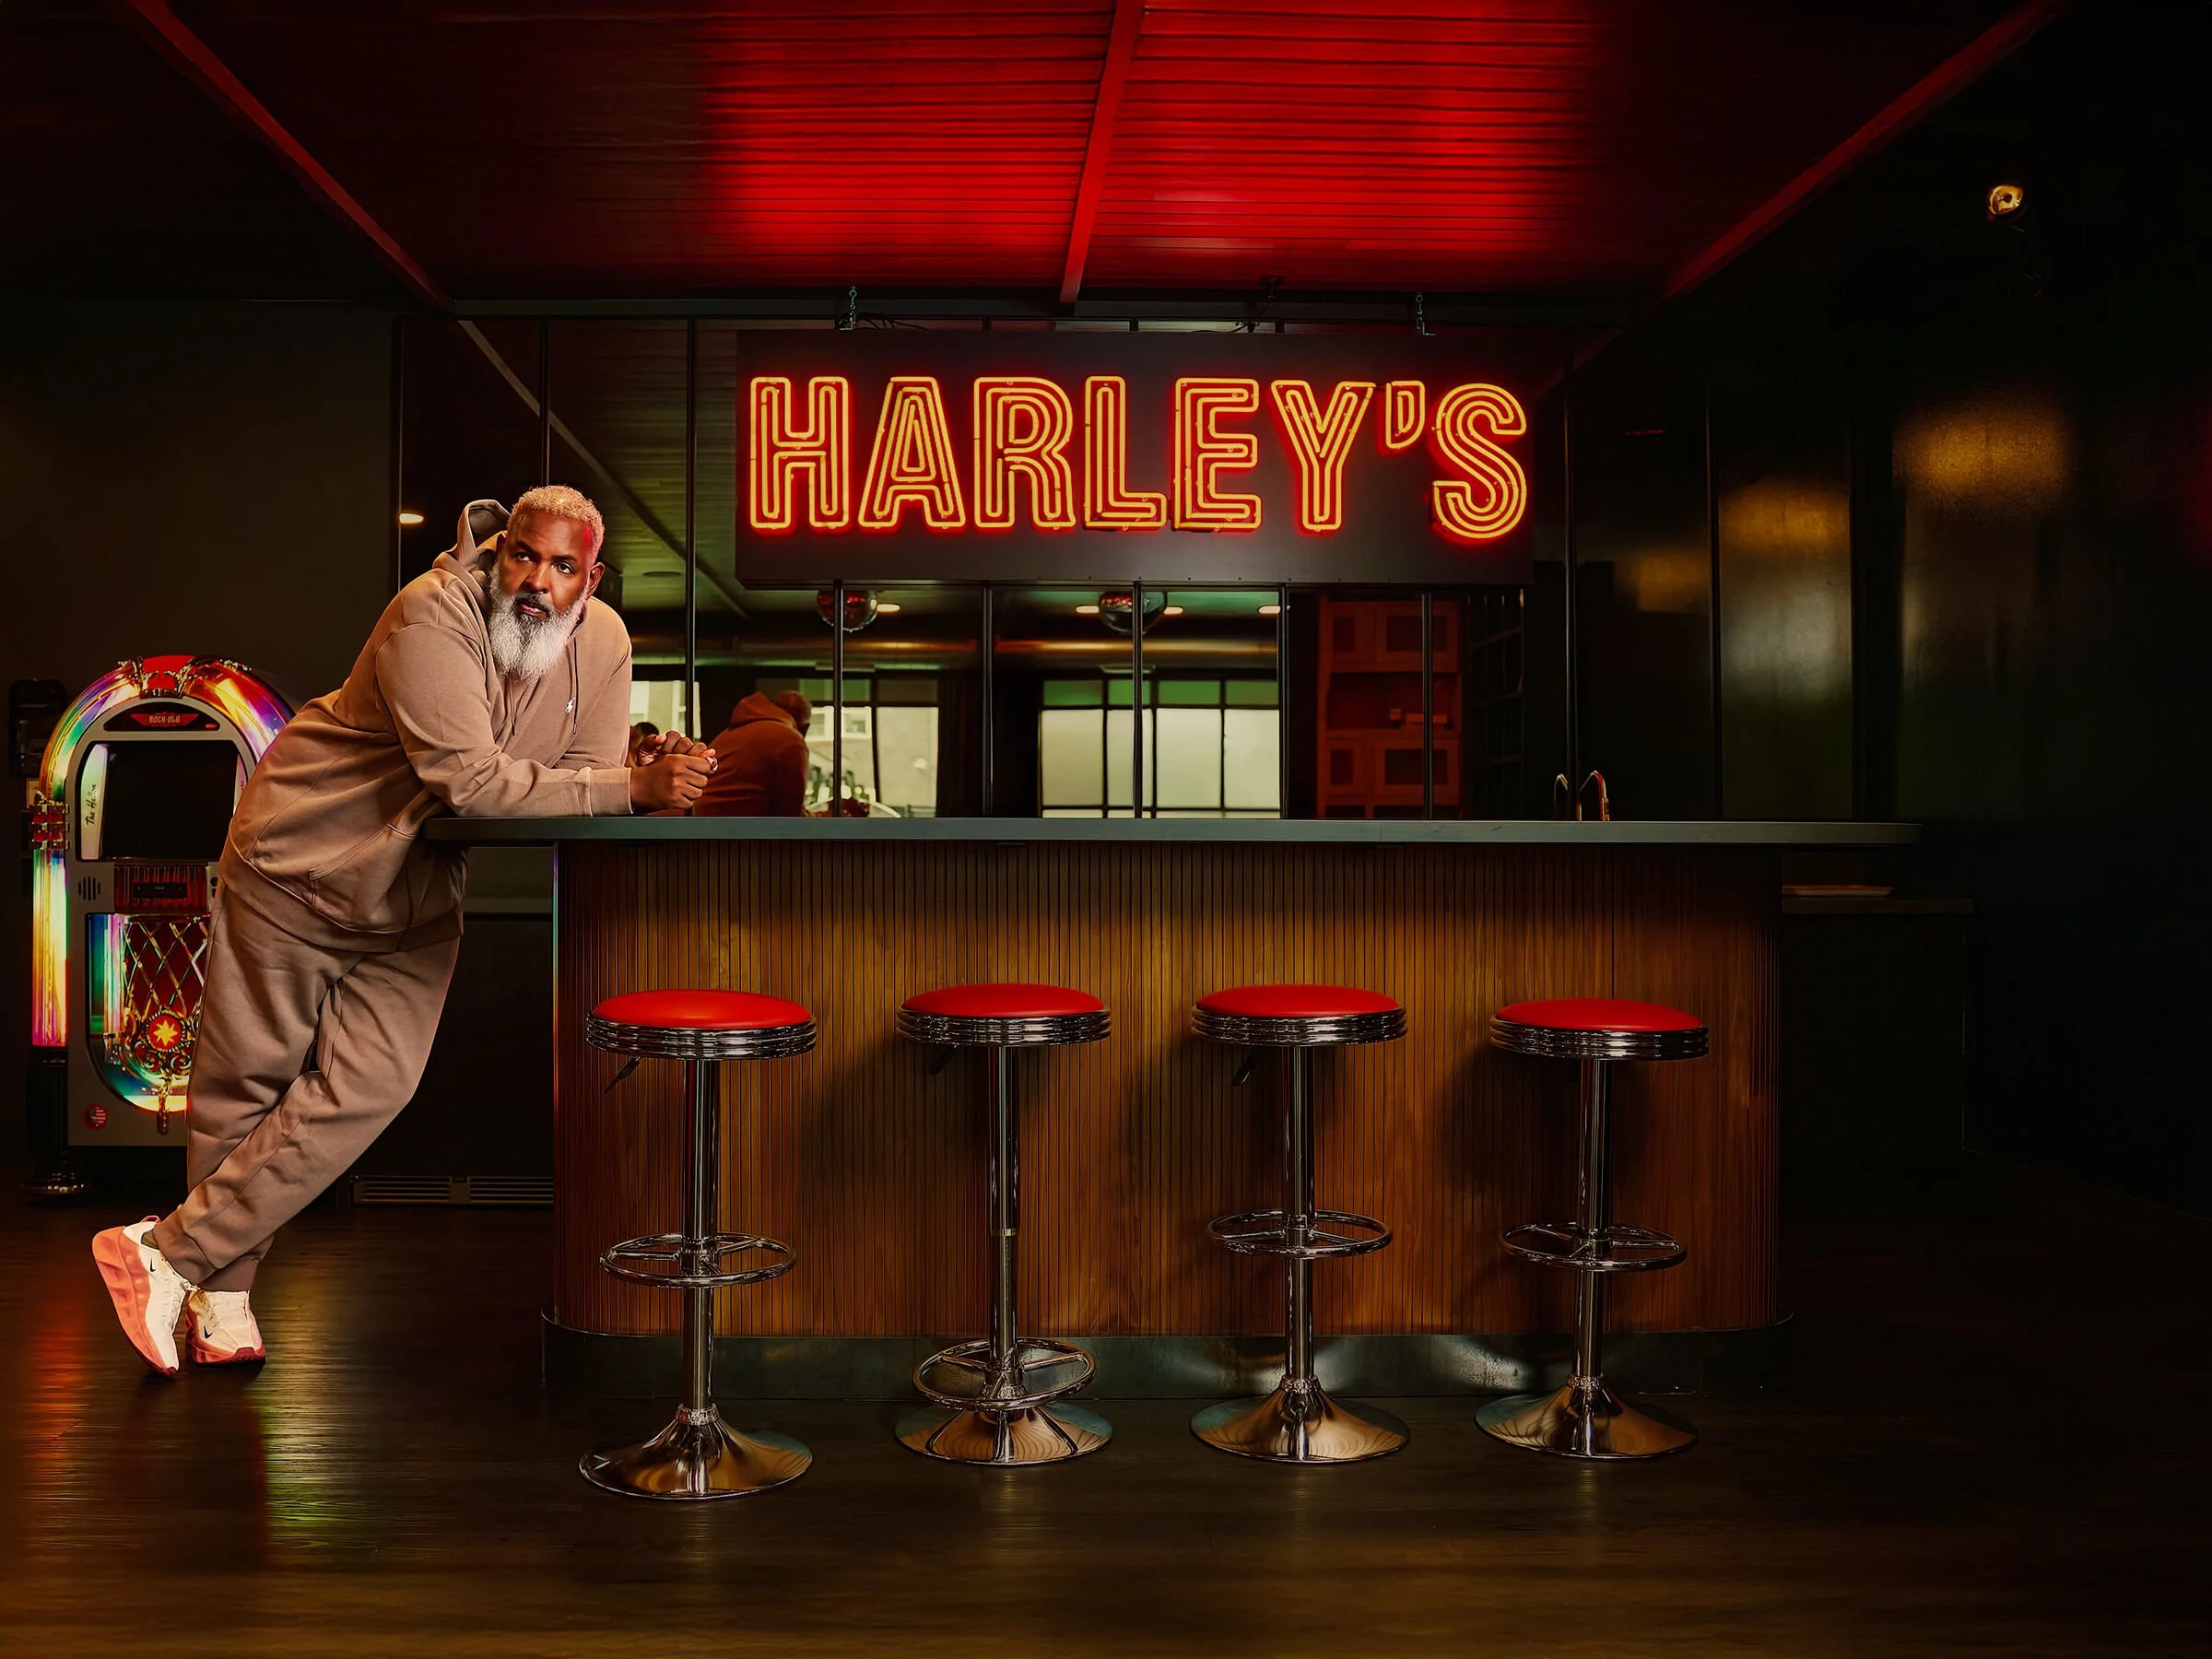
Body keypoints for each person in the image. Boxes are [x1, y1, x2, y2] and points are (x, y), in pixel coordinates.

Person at [89, 487, 716, 1376]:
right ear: (501, 554)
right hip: (299, 862)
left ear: (591, 579)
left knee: (372, 1085)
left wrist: (631, 777)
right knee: (247, 1085)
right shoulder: (430, 613)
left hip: (414, 891)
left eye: (563, 567)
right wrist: (626, 788)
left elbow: (576, 779)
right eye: (524, 557)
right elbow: (469, 780)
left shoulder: (604, 643)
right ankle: (221, 1299)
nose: (538, 581)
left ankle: (167, 1254)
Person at [694, 689, 813, 816]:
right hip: (714, 829)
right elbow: (790, 817)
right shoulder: (791, 741)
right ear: (805, 728)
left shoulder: (734, 731)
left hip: (688, 822)